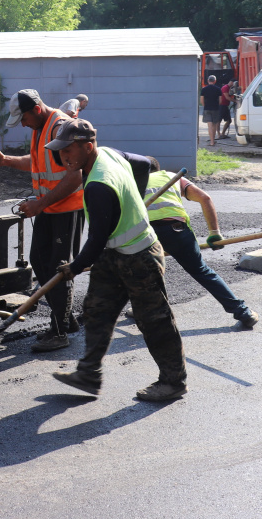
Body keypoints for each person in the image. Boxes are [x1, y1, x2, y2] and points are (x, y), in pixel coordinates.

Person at [47, 119, 188, 402]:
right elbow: (144, 164)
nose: (64, 156)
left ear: (87, 146)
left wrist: (73, 268)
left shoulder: (98, 184)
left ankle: (173, 382)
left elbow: (97, 239)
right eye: (61, 151)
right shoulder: (109, 153)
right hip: (114, 254)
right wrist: (132, 197)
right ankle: (88, 374)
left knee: (154, 320)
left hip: (140, 256)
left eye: (69, 150)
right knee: (96, 310)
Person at [0, 89, 84, 352]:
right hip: (48, 209)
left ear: (35, 109)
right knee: (40, 261)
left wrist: (39, 204)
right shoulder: (40, 129)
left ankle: (59, 332)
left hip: (66, 209)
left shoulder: (61, 128)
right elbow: (35, 163)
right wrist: (6, 161)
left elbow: (74, 177)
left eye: (23, 119)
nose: (22, 125)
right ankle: (66, 320)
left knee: (60, 268)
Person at [144, 169, 258, 328]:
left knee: (142, 272)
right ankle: (242, 312)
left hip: (147, 234)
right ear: (158, 168)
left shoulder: (133, 179)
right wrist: (214, 233)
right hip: (177, 231)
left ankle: (144, 310)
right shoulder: (169, 176)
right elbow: (205, 197)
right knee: (201, 271)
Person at [200, 75, 223, 147]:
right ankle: (213, 140)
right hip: (215, 108)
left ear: (208, 81)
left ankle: (211, 142)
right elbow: (220, 101)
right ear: (215, 81)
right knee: (214, 125)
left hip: (207, 108)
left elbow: (201, 100)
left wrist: (205, 106)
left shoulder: (204, 89)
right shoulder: (218, 89)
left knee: (209, 126)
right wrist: (216, 105)